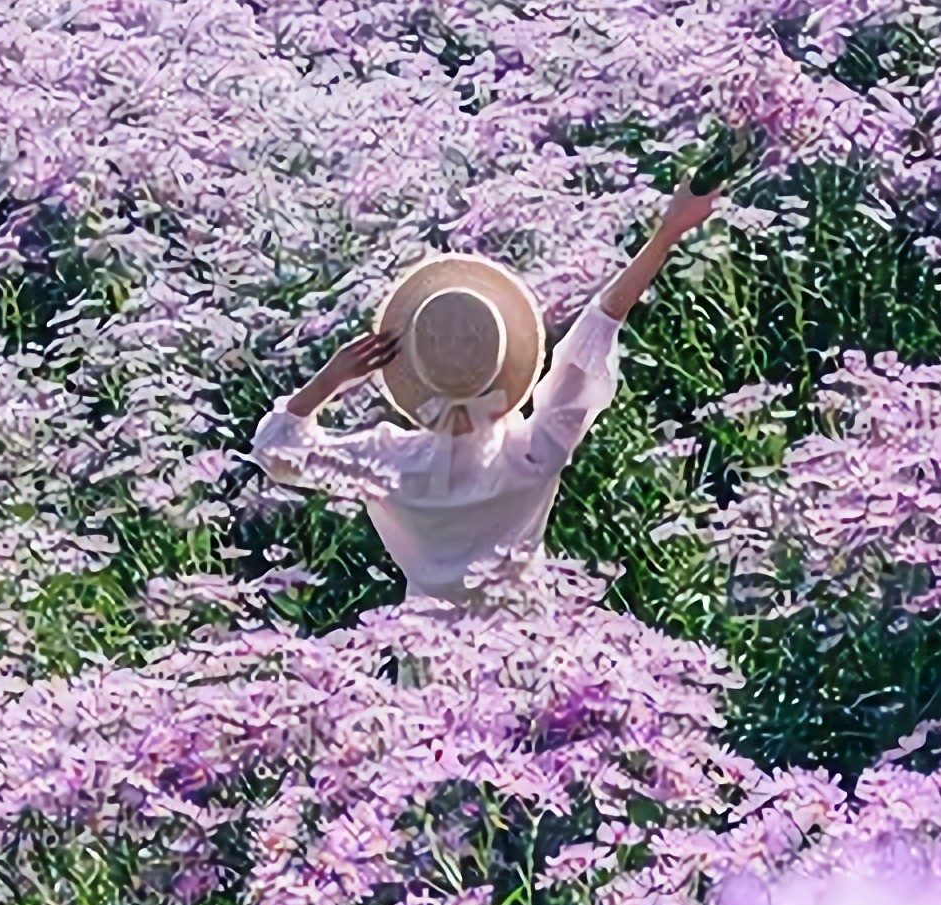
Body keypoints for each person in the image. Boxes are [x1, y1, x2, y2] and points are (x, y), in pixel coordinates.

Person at [251, 181, 725, 609]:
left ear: (414, 371)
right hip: (518, 657)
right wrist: (668, 232)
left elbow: (276, 452)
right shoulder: (532, 455)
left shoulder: (388, 463)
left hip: (427, 664)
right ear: (505, 365)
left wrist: (330, 380)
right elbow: (596, 330)